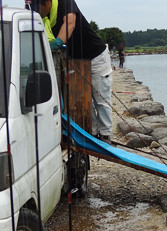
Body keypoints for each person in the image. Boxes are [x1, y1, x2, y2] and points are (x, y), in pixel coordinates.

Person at [35, 0, 113, 144]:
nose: (36, 12)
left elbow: (70, 23)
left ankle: (105, 135)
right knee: (83, 99)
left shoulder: (65, 2)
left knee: (101, 98)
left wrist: (58, 42)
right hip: (75, 60)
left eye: (37, 7)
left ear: (46, 3)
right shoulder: (43, 20)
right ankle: (92, 133)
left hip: (96, 55)